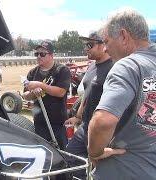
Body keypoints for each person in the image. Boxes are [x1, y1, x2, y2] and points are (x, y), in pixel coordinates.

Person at [87, 8, 156, 180]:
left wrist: (94, 152)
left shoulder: (128, 66)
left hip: (124, 170)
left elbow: (103, 122)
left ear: (124, 36)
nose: (106, 48)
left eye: (107, 41)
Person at [64, 31, 113, 179]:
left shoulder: (114, 68)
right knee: (71, 157)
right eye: (85, 45)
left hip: (103, 131)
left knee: (103, 170)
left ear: (103, 45)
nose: (86, 48)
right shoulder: (92, 67)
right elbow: (86, 95)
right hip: (86, 126)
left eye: (90, 45)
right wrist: (78, 116)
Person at [23, 41, 71, 149]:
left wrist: (40, 85)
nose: (39, 56)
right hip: (40, 121)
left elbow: (61, 92)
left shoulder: (62, 70)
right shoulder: (32, 72)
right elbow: (25, 95)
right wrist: (33, 94)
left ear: (51, 55)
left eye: (42, 54)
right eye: (37, 54)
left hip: (58, 122)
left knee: (62, 152)